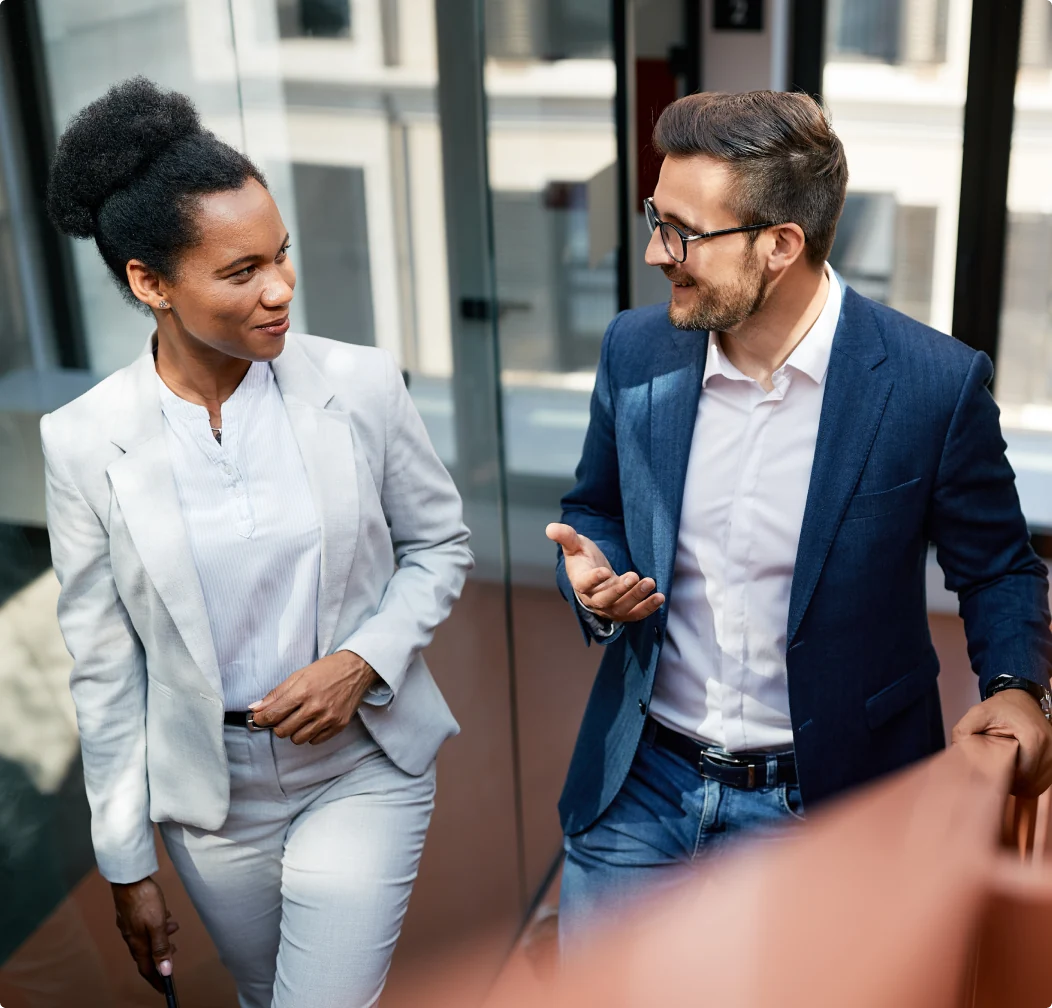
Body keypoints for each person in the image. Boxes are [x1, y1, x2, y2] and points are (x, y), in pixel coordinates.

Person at [546, 90, 1052, 940]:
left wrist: (1018, 688)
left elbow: (998, 567)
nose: (653, 251)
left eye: (683, 232)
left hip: (831, 803)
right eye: (655, 218)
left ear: (781, 245)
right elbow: (593, 505)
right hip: (640, 786)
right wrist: (592, 574)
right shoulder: (633, 348)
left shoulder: (932, 385)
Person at [41, 77, 471, 1007]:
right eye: (241, 272)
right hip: (215, 803)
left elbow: (440, 546)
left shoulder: (356, 386)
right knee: (262, 993)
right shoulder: (82, 440)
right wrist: (126, 862)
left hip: (363, 764)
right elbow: (105, 666)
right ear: (150, 283)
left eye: (281, 256)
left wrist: (361, 658)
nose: (280, 289)